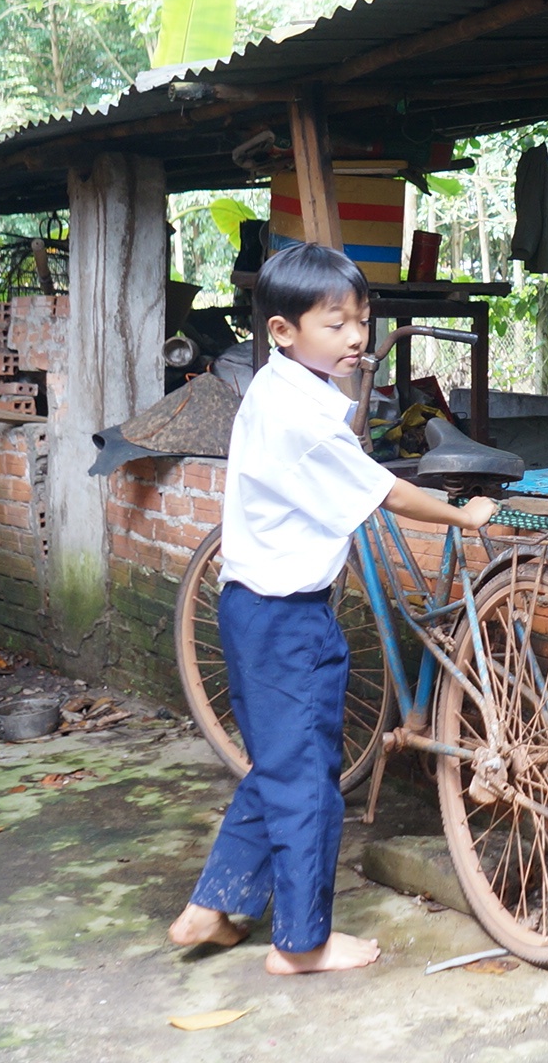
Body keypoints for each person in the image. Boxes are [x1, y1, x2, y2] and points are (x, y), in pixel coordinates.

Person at [167, 242, 497, 974]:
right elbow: (387, 491)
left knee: (282, 765)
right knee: (307, 781)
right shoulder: (300, 417)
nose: (356, 338)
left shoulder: (281, 391)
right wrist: (463, 515)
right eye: (336, 323)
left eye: (363, 321)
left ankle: (212, 905)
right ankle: (301, 943)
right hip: (286, 622)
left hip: (253, 610)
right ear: (284, 332)